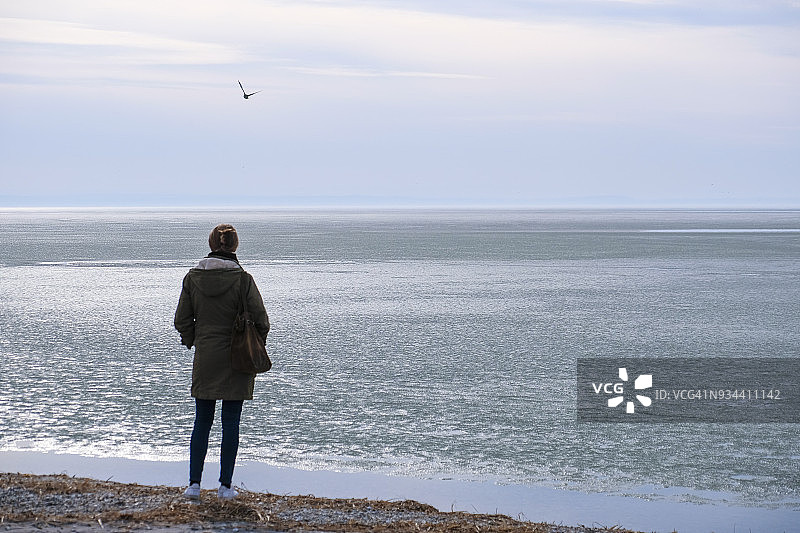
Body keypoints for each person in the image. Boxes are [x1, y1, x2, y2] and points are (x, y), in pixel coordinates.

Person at [174, 223, 270, 500]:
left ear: (211, 243)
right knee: (231, 422)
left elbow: (181, 320)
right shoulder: (243, 280)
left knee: (202, 421)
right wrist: (254, 343)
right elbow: (262, 321)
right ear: (235, 246)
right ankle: (225, 487)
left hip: (206, 356)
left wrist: (195, 339)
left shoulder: (192, 278)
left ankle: (193, 485)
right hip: (237, 357)